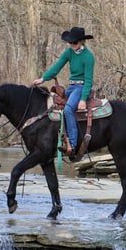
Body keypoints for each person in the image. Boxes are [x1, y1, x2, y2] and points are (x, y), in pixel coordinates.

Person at [33, 26, 95, 161]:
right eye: (71, 42)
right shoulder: (69, 52)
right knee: (55, 106)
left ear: (82, 42)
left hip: (81, 87)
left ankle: (72, 145)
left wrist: (83, 99)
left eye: (75, 42)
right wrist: (43, 78)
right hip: (71, 87)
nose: (72, 45)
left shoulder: (88, 57)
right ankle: (57, 139)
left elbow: (89, 80)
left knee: (68, 110)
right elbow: (57, 67)